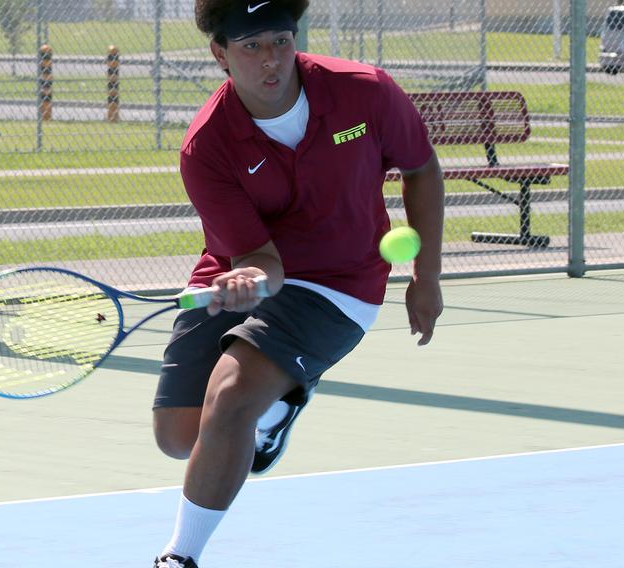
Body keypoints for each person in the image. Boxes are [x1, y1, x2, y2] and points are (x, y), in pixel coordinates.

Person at [151, 1, 444, 566]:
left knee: (231, 398)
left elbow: (421, 168)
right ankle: (273, 413)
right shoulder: (206, 146)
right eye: (251, 46)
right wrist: (247, 280)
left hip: (342, 282)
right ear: (220, 54)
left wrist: (424, 276)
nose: (271, 60)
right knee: (180, 436)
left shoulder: (366, 92)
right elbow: (260, 258)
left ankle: (178, 556)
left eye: (281, 41)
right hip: (245, 265)